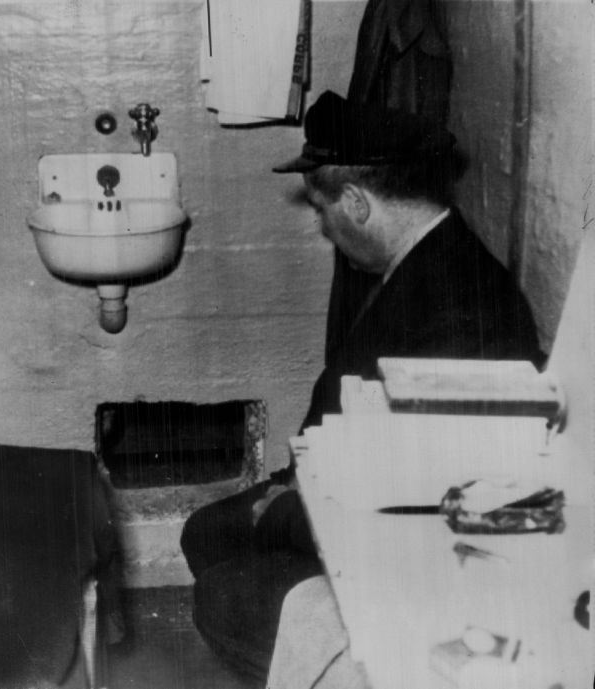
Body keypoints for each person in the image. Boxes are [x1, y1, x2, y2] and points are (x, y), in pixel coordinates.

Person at [180, 90, 544, 682]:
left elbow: (416, 506)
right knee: (206, 533)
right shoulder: (425, 260)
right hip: (351, 488)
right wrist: (293, 486)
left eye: (322, 210)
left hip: (418, 555)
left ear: (355, 202)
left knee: (221, 594)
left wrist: (287, 511)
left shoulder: (463, 312)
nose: (324, 227)